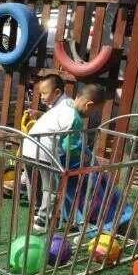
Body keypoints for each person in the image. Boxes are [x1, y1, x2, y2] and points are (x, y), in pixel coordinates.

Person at [21, 83, 106, 232]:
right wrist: (84, 157)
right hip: (45, 152)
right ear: (89, 105)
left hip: (28, 148)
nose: (93, 114)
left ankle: (36, 211)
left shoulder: (65, 105)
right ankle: (43, 219)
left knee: (34, 183)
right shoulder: (76, 119)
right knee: (52, 189)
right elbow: (69, 146)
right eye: (95, 111)